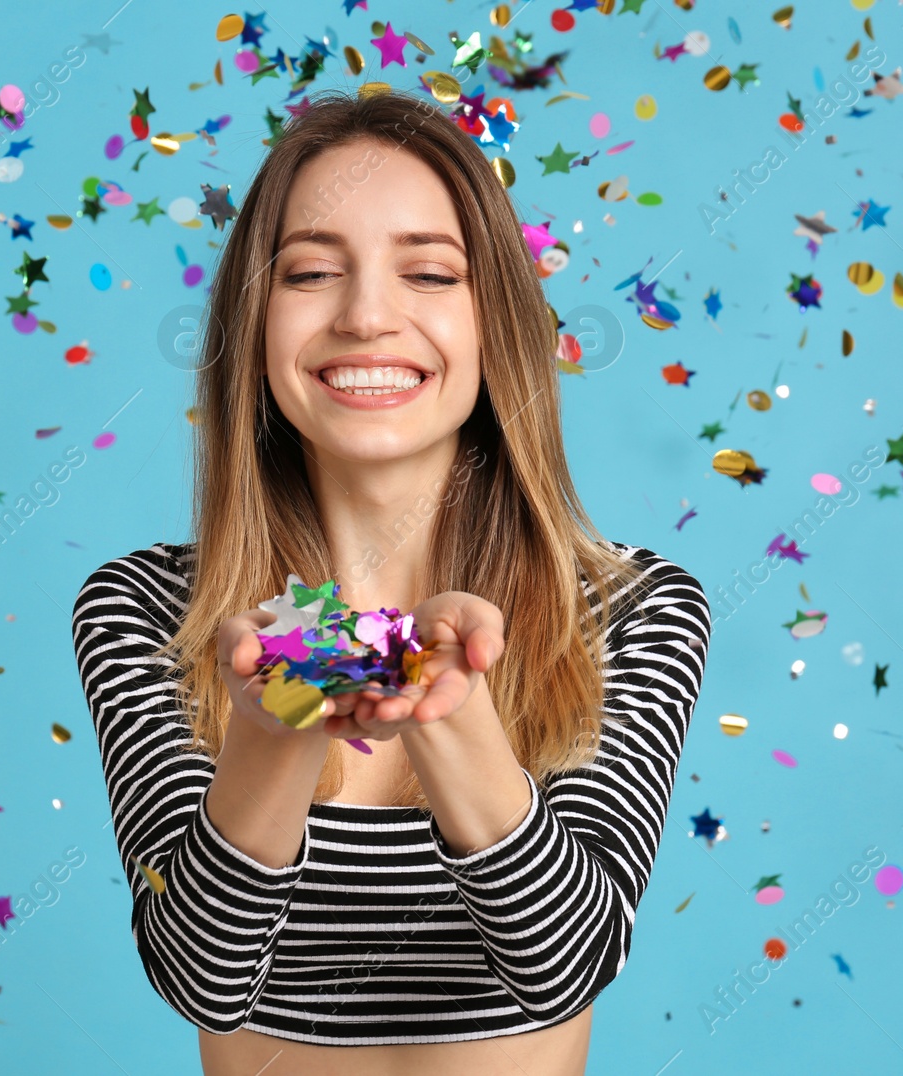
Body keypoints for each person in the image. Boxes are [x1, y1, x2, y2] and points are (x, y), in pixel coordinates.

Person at [71, 87, 711, 1075]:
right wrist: (277, 719)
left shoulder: (629, 610)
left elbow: (568, 961)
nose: (367, 315)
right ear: (255, 324)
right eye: (313, 270)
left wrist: (448, 710)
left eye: (429, 272)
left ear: (495, 319)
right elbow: (198, 971)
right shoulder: (150, 612)